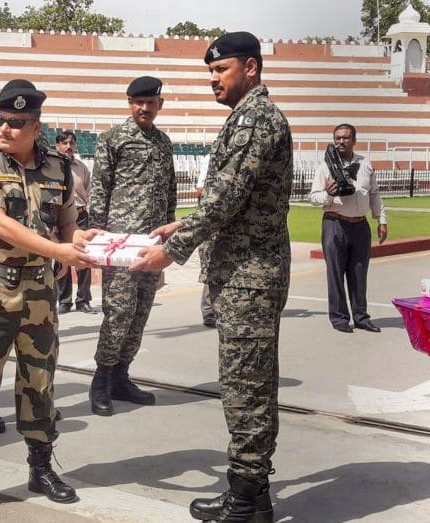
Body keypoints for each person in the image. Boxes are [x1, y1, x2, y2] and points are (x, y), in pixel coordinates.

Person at [131, 32, 292, 522]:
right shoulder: (247, 118)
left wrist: (172, 251)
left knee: (246, 391)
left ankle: (243, 503)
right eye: (210, 72)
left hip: (250, 278)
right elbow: (238, 201)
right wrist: (182, 224)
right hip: (242, 274)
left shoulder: (255, 120)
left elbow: (224, 201)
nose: (213, 80)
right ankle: (253, 496)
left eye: (220, 71)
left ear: (251, 68)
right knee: (245, 386)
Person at [0, 79, 98, 520]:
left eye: (15, 123)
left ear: (36, 126)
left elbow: (68, 224)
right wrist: (59, 251)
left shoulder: (58, 167)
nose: (3, 128)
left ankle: (40, 469)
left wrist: (86, 242)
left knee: (39, 383)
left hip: (39, 290)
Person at [87, 75, 177, 417]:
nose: (144, 108)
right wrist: (99, 236)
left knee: (140, 314)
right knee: (118, 313)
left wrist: (168, 237)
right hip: (121, 243)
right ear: (129, 103)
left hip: (151, 245)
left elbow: (170, 191)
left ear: (159, 105)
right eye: (138, 102)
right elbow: (100, 189)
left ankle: (122, 377)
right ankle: (101, 380)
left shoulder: (163, 143)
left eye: (150, 103)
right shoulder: (113, 139)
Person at [309, 123, 387, 333]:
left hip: (360, 225)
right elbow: (313, 198)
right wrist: (328, 194)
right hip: (335, 223)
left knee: (359, 273)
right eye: (337, 138)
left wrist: (381, 219)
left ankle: (361, 317)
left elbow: (374, 194)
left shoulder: (365, 164)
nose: (341, 142)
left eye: (345, 138)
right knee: (335, 274)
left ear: (354, 140)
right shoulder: (325, 167)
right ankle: (339, 318)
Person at [53, 131, 96, 314]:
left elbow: (89, 190)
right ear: (57, 146)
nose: (68, 146)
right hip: (60, 217)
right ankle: (64, 300)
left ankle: (83, 300)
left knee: (83, 258)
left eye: (71, 143)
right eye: (64, 143)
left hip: (80, 215)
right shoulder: (52, 167)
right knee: (62, 258)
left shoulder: (82, 167)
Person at [194, 160, 216, 328]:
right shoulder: (209, 158)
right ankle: (208, 311)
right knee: (210, 267)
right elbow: (200, 189)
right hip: (209, 225)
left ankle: (213, 309)